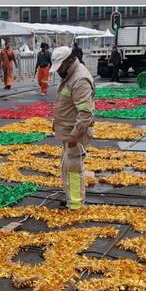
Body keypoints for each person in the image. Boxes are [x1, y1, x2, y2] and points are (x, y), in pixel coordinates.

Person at [51, 46, 95, 211]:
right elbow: (67, 104)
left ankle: (76, 204)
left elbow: (85, 113)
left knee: (74, 168)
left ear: (69, 61)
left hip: (75, 133)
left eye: (60, 67)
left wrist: (74, 136)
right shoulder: (70, 75)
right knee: (67, 167)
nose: (58, 71)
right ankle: (72, 199)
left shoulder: (80, 79)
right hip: (68, 131)